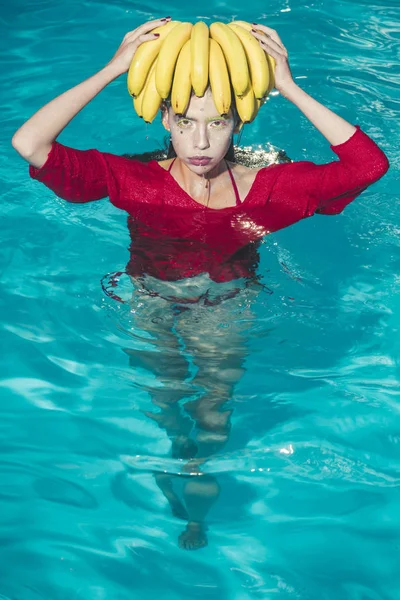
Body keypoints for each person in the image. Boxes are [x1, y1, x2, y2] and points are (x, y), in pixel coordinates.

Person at [11, 17, 390, 550]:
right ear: (165, 119)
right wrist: (112, 69)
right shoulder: (137, 181)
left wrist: (289, 86)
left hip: (226, 307)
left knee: (214, 410)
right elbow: (29, 141)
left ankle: (193, 475)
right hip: (149, 301)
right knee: (167, 399)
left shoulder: (269, 189)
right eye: (186, 122)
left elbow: (369, 166)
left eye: (218, 124)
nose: (200, 140)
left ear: (239, 125)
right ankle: (174, 451)